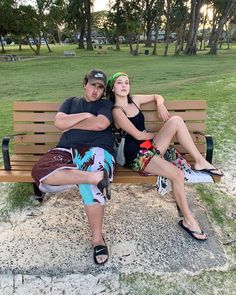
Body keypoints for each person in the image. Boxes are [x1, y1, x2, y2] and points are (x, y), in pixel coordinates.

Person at [107, 72, 223, 241]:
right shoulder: (116, 111)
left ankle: (200, 162)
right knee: (177, 174)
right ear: (112, 87)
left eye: (127, 82)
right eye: (119, 83)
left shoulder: (136, 100)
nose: (124, 85)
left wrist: (160, 103)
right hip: (136, 155)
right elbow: (139, 136)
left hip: (149, 147)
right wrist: (162, 134)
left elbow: (156, 95)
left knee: (175, 120)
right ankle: (188, 221)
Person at [32, 69, 115, 265]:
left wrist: (72, 123)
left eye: (100, 87)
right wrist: (85, 114)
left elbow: (100, 124)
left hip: (96, 149)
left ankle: (97, 239)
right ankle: (95, 177)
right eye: (93, 85)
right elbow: (59, 122)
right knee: (40, 172)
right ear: (85, 84)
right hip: (66, 149)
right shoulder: (70, 102)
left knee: (90, 187)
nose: (96, 90)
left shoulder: (106, 104)